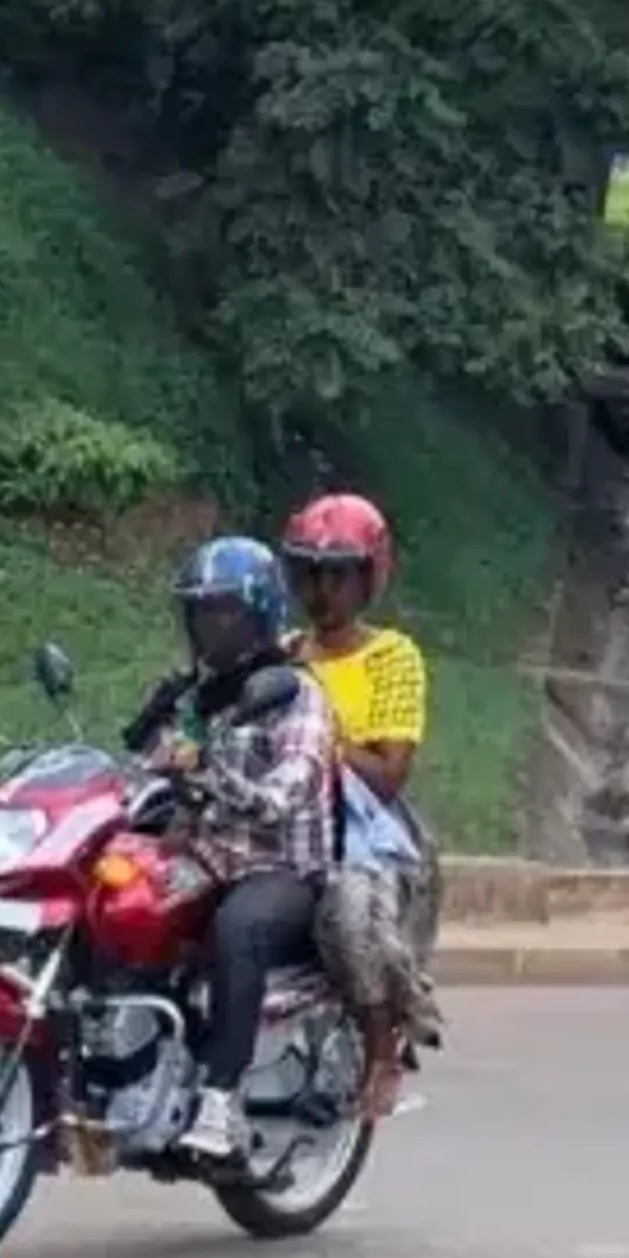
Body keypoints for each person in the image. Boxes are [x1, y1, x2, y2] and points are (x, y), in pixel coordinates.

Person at [122, 538, 341, 1166]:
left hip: (282, 868)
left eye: (225, 613)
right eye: (200, 614)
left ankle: (220, 1102)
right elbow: (143, 764)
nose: (210, 628)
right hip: (203, 857)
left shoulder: (296, 695)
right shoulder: (190, 696)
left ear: (260, 616)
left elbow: (291, 788)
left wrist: (224, 782)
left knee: (238, 927)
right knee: (121, 904)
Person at [283, 491, 438, 1121]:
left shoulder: (392, 656)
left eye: (337, 575)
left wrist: (315, 741)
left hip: (365, 835)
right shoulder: (283, 651)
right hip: (282, 822)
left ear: (368, 576)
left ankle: (382, 1047)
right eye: (310, 573)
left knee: (349, 909)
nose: (322, 590)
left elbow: (388, 774)